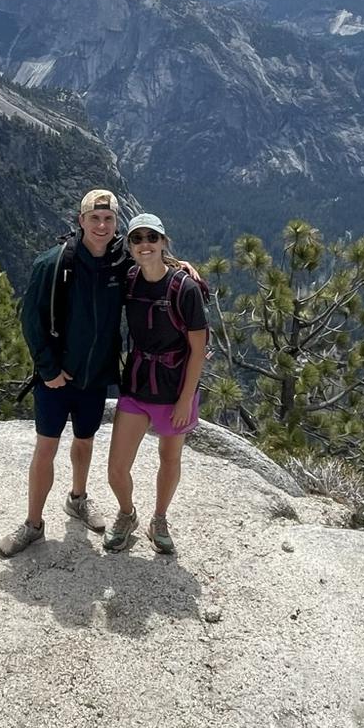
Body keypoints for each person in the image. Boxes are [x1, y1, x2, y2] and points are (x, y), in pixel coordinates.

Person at [0, 188, 130, 558]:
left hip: (95, 377)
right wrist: (48, 369)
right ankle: (33, 524)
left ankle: (78, 498)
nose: (101, 225)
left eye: (108, 219)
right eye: (94, 218)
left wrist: (183, 268)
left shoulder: (122, 265)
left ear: (116, 222)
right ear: (81, 221)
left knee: (84, 442)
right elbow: (30, 320)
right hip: (56, 379)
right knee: (46, 447)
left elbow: (156, 267)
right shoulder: (53, 264)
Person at [103, 212, 208, 556]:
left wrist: (185, 399)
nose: (145, 244)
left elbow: (198, 350)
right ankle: (127, 513)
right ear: (130, 245)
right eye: (137, 239)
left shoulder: (185, 288)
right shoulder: (128, 279)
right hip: (137, 384)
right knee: (117, 468)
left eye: (152, 238)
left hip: (174, 387)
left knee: (170, 457)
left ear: (163, 242)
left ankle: (159, 518)